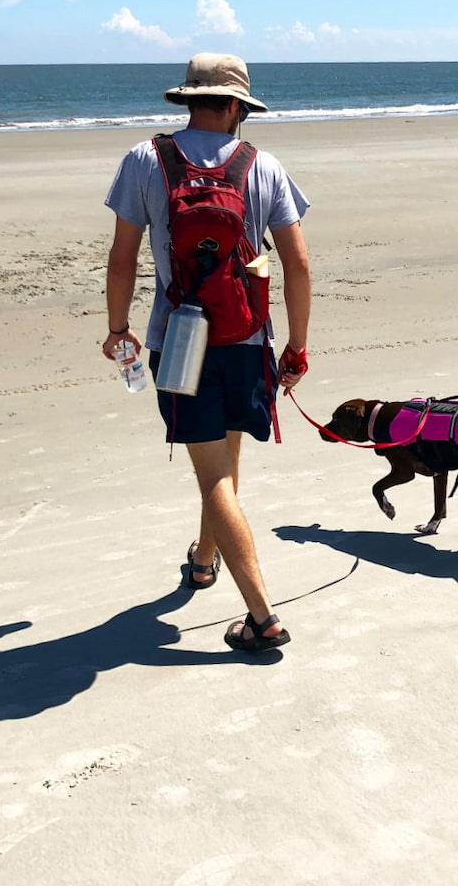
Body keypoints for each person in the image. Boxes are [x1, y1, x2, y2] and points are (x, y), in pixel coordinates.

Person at [102, 53, 311, 652]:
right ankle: (202, 559)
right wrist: (297, 345)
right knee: (224, 459)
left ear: (187, 100)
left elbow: (123, 257)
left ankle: (263, 616)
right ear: (238, 108)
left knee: (211, 469)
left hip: (180, 341)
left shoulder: (147, 160)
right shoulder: (262, 166)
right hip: (246, 339)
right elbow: (296, 264)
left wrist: (118, 328)